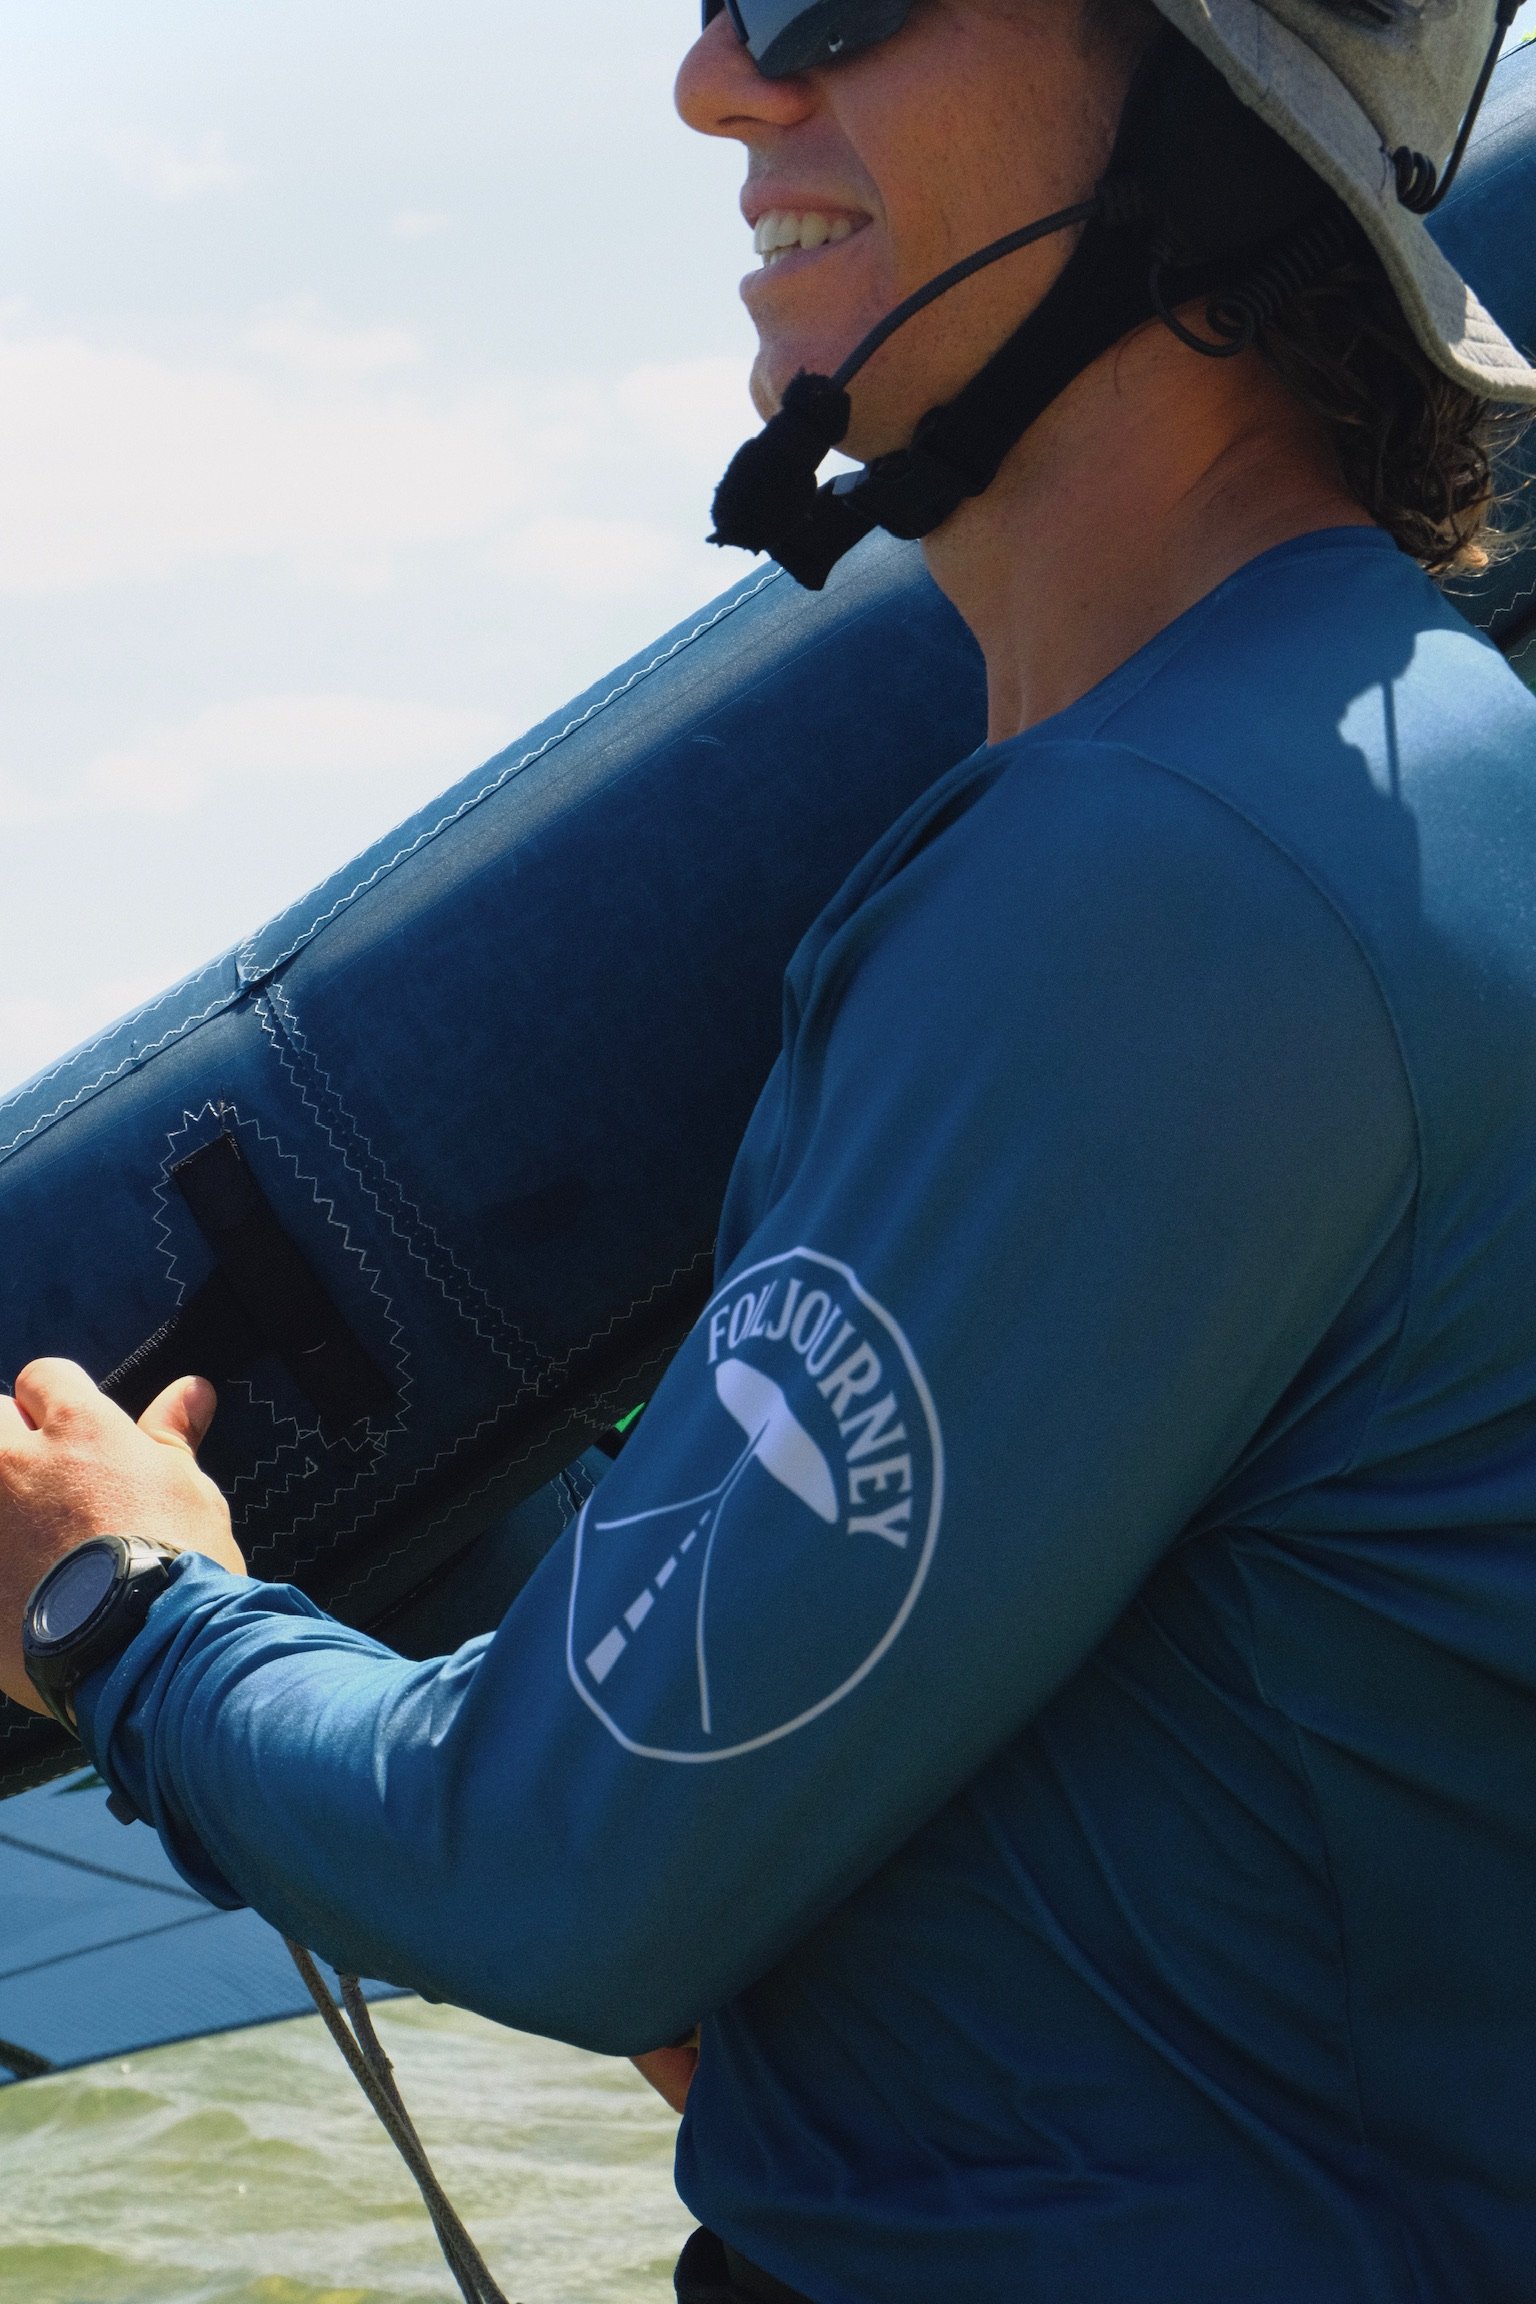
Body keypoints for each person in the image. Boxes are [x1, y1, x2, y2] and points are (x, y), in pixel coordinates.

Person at [3, 0, 1536, 2296]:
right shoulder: (1369, 778)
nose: (719, 83)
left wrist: (120, 1604)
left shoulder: (1166, 885)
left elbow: (557, 1880)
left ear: (1210, 116)